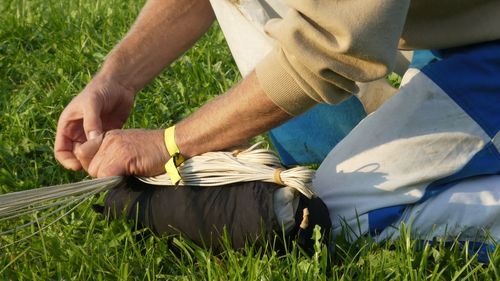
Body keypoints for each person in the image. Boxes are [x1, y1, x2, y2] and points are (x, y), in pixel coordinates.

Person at [55, 0, 500, 252]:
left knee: (331, 221)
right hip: (442, 32)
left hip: (487, 47)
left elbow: (334, 48)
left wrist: (172, 143)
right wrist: (118, 78)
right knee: (316, 195)